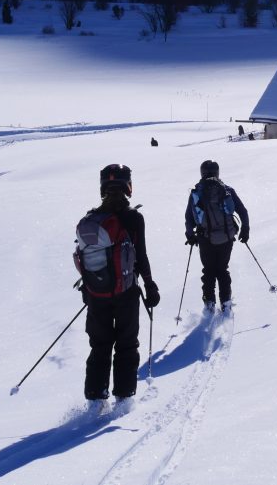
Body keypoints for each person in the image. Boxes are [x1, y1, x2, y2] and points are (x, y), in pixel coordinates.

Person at [78, 164, 160, 402]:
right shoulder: (133, 217)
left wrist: (89, 287)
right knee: (126, 345)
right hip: (126, 291)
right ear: (128, 186)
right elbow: (141, 255)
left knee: (99, 345)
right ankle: (123, 400)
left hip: (97, 293)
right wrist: (150, 285)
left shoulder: (91, 218)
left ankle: (95, 398)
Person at [184, 160, 250, 312]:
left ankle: (209, 303)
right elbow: (242, 211)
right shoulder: (227, 190)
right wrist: (245, 229)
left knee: (208, 270)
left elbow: (189, 218)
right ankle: (226, 302)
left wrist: (190, 235)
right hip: (226, 237)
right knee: (222, 269)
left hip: (205, 238)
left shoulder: (196, 193)